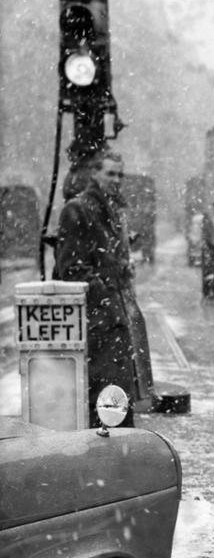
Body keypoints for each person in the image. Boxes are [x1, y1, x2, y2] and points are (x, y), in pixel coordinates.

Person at [52, 149, 152, 427]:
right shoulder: (78, 209)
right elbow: (71, 269)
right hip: (98, 325)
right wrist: (107, 301)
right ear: (94, 174)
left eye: (119, 174)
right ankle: (106, 461)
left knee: (117, 402)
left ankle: (116, 458)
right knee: (106, 402)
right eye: (109, 173)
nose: (116, 179)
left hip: (117, 322)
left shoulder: (115, 209)